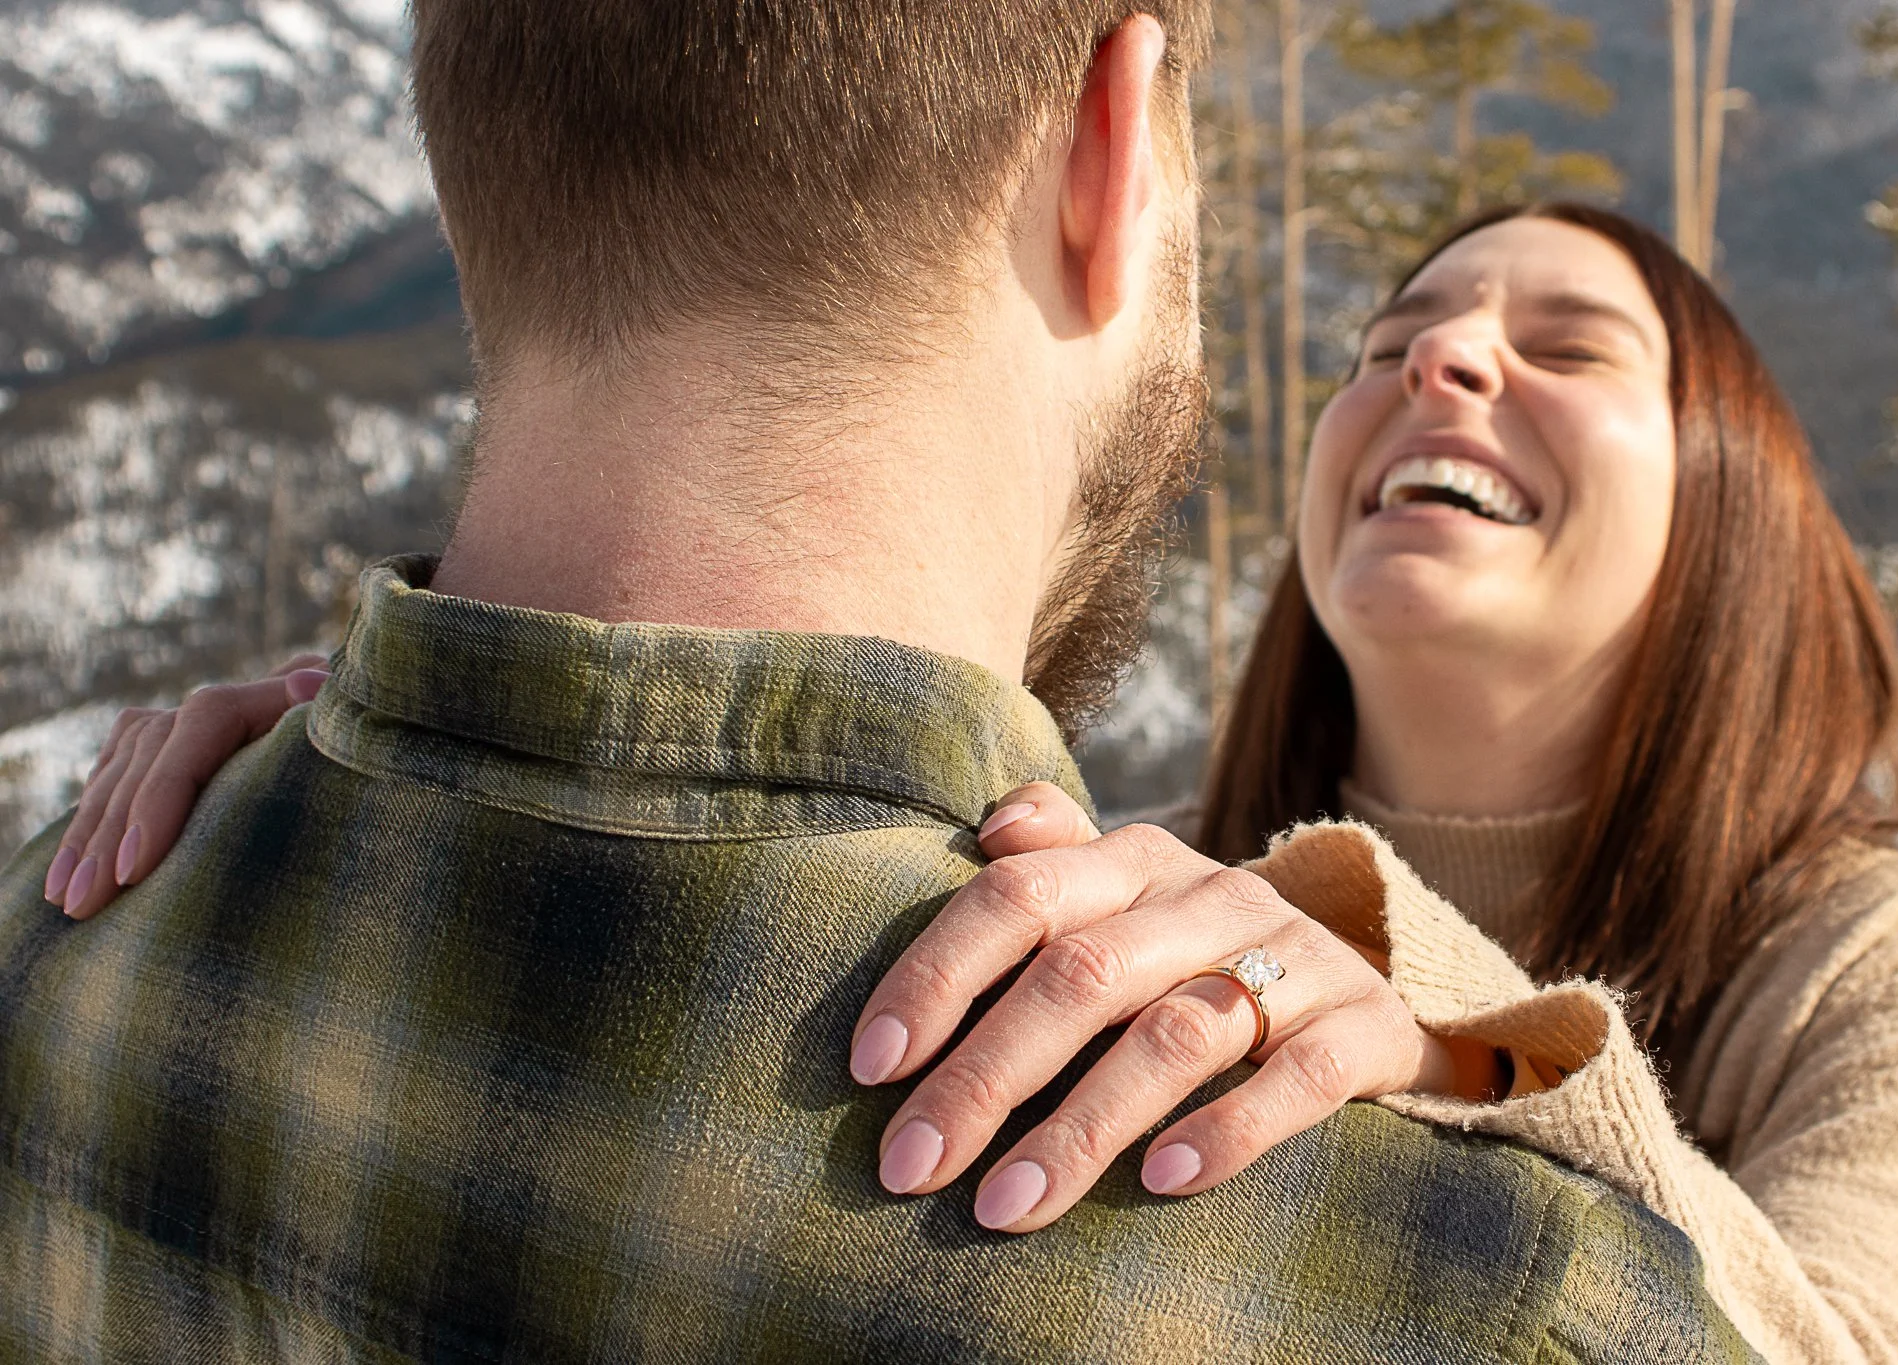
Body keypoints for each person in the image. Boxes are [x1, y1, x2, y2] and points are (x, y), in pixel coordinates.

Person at [0, 5, 1754, 1361]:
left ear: (472, 173)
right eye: (1397, 337)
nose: (1442, 364)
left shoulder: (64, 944)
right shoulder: (1471, 1298)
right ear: (1113, 153)